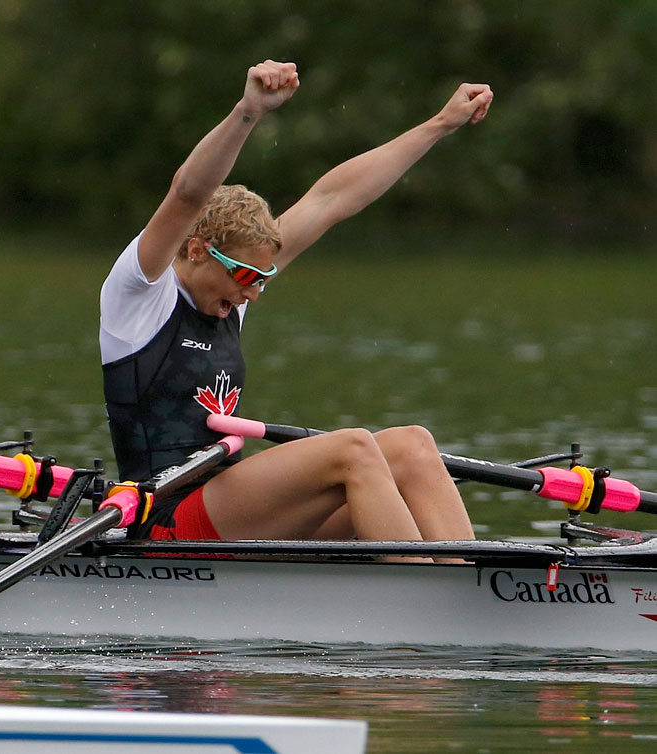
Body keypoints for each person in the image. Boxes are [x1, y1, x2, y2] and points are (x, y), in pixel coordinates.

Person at [100, 60, 492, 548]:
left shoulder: (228, 295)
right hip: (164, 515)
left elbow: (333, 198)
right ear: (199, 249)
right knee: (353, 449)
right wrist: (249, 111)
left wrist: (441, 124)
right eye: (246, 276)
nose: (254, 292)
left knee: (413, 446)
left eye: (263, 278)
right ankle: (423, 602)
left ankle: (466, 584)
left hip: (232, 510)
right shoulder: (141, 294)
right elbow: (187, 194)